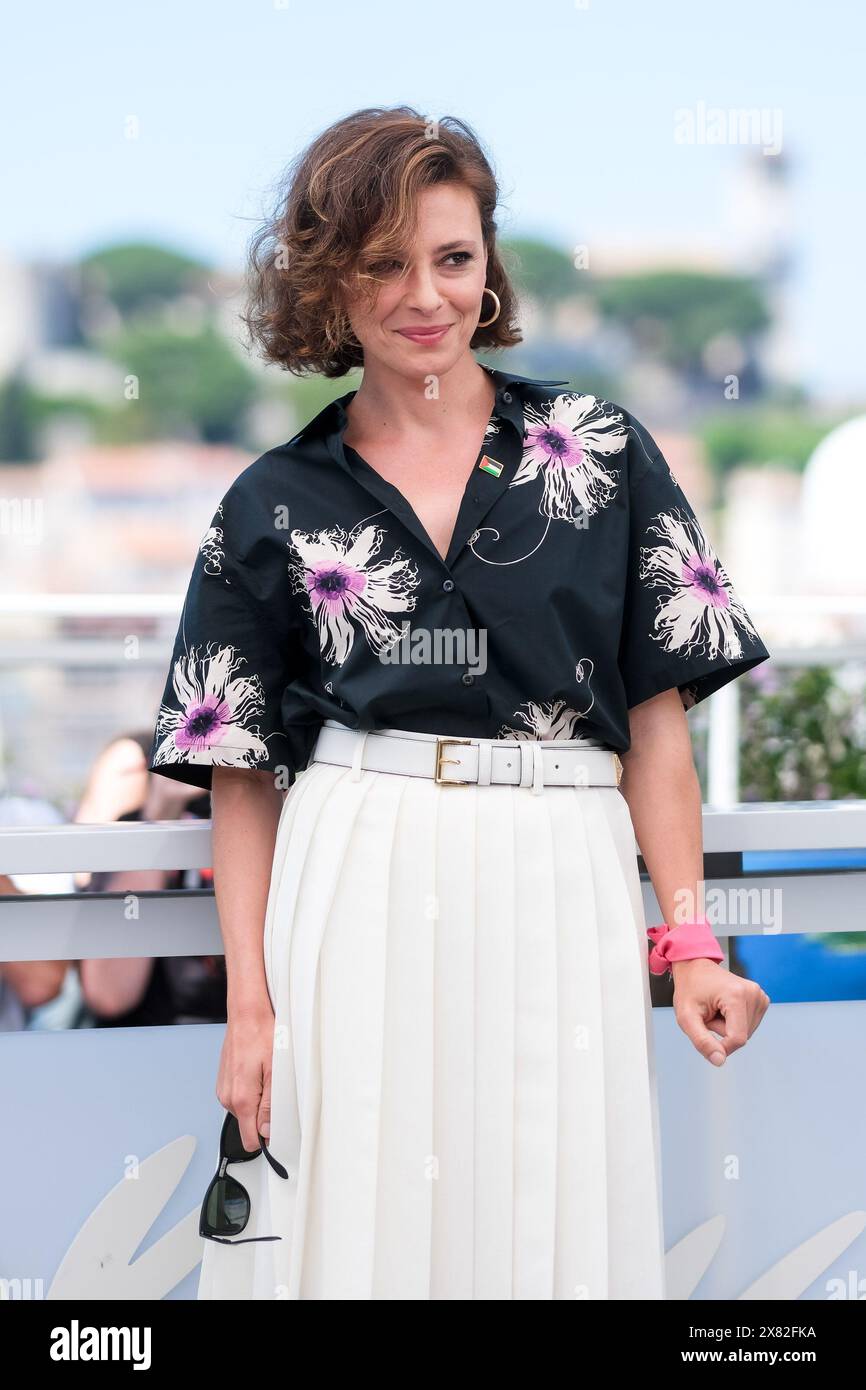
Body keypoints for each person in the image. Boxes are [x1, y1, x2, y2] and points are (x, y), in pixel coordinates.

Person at [147, 106, 772, 1300]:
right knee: (354, 1230)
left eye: (452, 257)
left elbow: (655, 731)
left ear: (488, 269)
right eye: (383, 262)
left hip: (562, 874)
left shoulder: (596, 452)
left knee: (554, 1218)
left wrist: (689, 939)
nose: (423, 294)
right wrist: (249, 1006)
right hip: (353, 876)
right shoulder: (267, 502)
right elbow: (243, 773)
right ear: (327, 280)